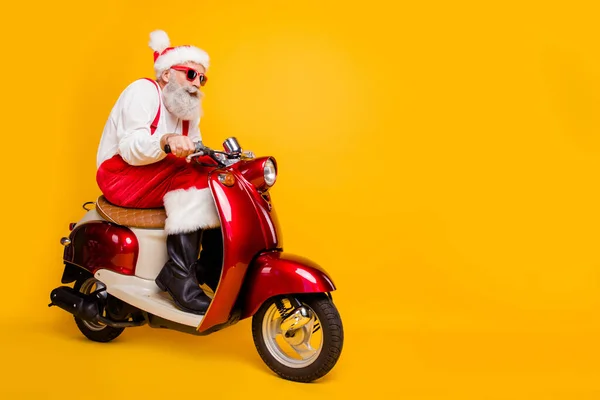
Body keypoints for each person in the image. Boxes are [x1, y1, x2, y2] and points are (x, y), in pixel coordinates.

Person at [95, 30, 221, 315]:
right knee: (192, 179)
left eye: (202, 78)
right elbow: (129, 148)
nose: (197, 83)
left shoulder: (188, 113)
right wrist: (165, 142)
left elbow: (195, 151)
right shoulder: (143, 91)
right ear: (166, 74)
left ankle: (210, 268)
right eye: (190, 74)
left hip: (153, 175)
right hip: (119, 173)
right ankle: (178, 277)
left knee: (217, 178)